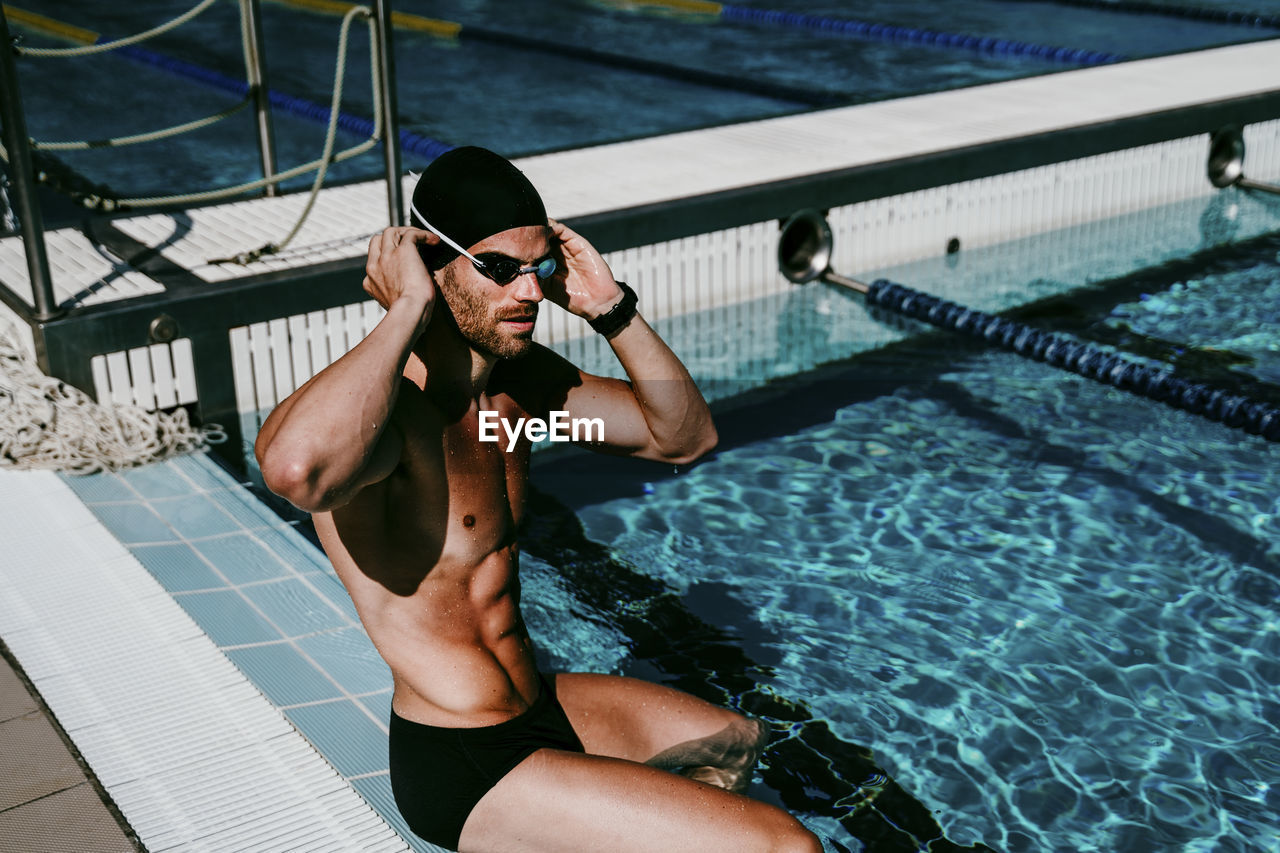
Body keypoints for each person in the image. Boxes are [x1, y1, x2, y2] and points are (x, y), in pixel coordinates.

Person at [255, 147, 823, 853]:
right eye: (498, 268)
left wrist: (610, 310)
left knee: (735, 743)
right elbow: (295, 470)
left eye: (539, 268)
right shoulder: (387, 418)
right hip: (465, 764)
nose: (527, 292)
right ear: (435, 263)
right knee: (785, 847)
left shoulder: (518, 397)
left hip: (537, 705)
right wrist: (405, 307)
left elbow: (682, 437)